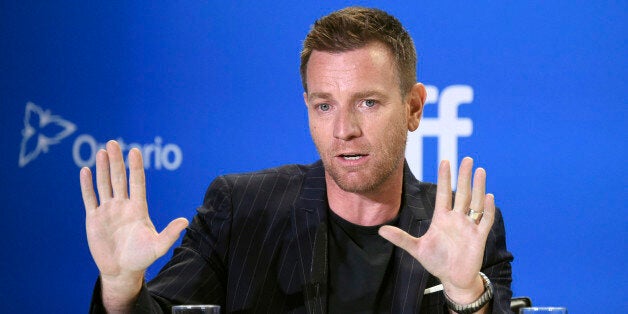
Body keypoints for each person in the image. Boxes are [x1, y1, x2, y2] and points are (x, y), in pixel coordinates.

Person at [80, 6, 513, 313]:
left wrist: (464, 295)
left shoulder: (464, 228)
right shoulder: (241, 210)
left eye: (367, 102)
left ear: (414, 107)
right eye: (324, 106)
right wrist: (121, 288)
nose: (344, 129)